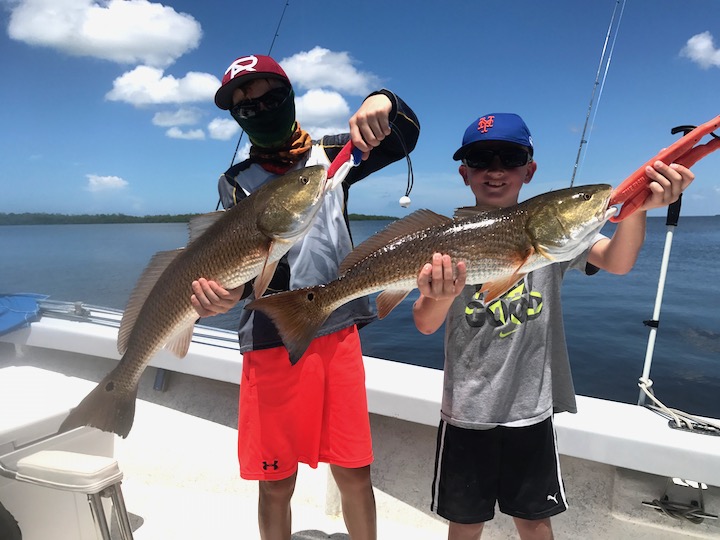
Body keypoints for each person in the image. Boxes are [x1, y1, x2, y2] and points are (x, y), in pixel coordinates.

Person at [412, 112, 694, 540]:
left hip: (531, 410)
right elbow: (424, 323)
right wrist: (443, 294)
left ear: (529, 170)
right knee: (465, 522)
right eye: (482, 158)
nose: (495, 169)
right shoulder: (448, 240)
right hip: (468, 412)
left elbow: (618, 261)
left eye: (509, 157)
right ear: (465, 173)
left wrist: (635, 208)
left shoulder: (556, 239)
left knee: (534, 519)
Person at [190, 54, 420, 540]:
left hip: (336, 331)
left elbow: (405, 135)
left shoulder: (335, 156)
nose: (259, 110)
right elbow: (237, 268)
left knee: (354, 470)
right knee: (275, 481)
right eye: (244, 107)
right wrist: (221, 297)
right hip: (270, 338)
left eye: (269, 97)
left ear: (289, 94)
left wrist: (382, 101)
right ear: (235, 118)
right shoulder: (234, 183)